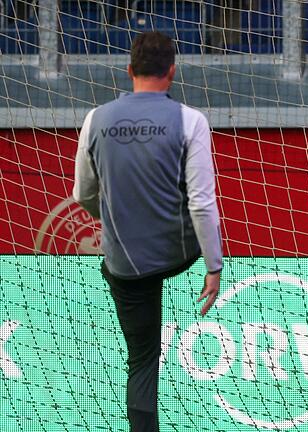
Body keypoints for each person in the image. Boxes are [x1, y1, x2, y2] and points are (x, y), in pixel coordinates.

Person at [73, 31, 222, 432]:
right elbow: (201, 202)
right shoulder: (191, 120)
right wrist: (214, 266)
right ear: (172, 72)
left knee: (141, 358)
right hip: (179, 254)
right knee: (186, 206)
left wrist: (116, 219)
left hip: (125, 260)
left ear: (128, 70)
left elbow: (83, 194)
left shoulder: (94, 119)